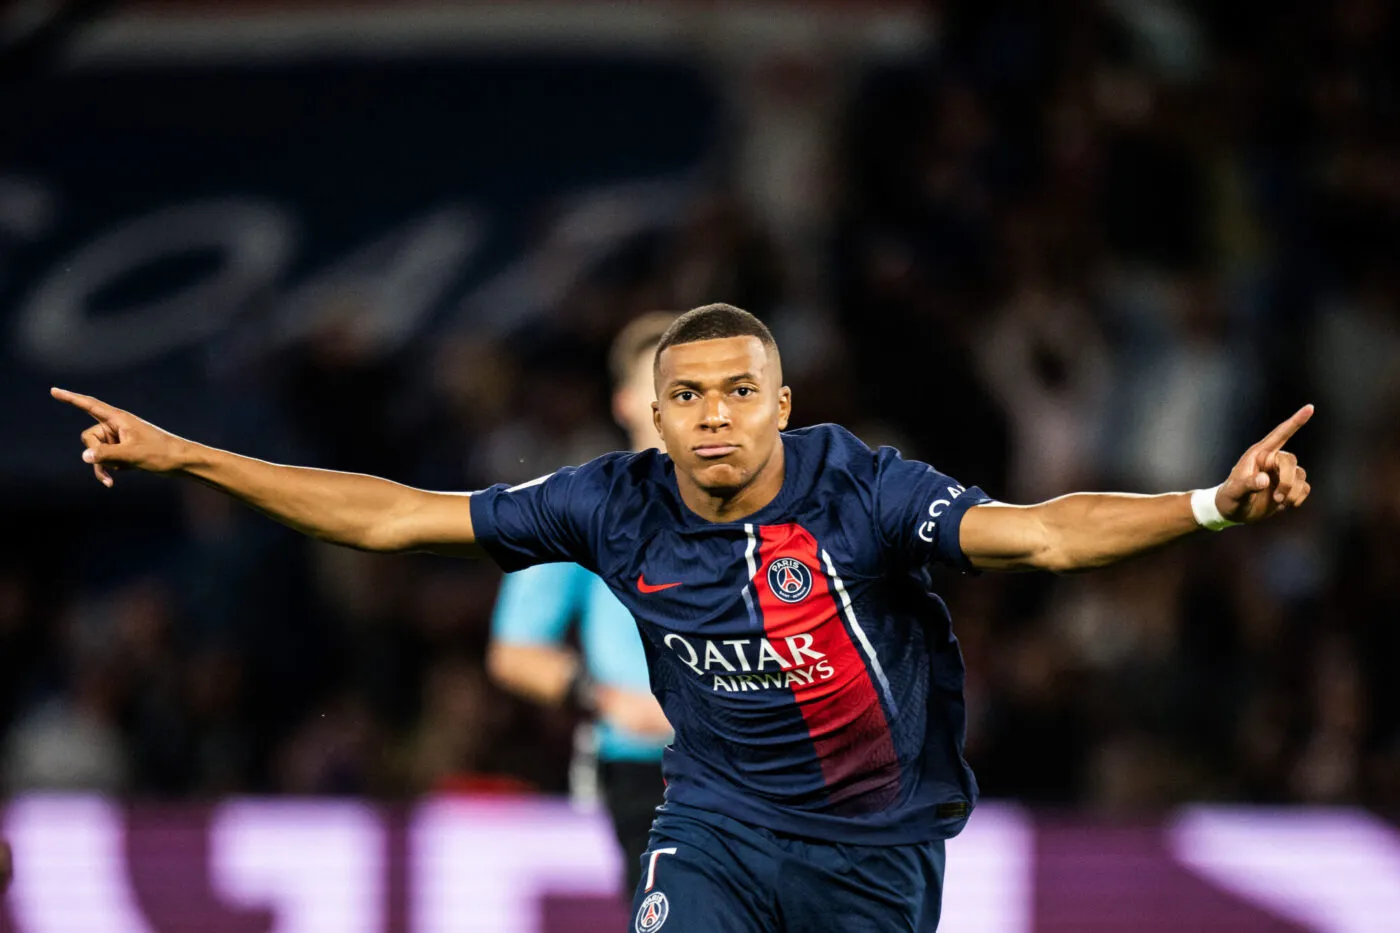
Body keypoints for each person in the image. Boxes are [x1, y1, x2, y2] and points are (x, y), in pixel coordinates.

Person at [52, 303, 1313, 932]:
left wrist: (1208, 503)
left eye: (735, 392)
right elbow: (392, 518)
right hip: (707, 825)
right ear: (652, 417)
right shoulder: (607, 503)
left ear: (778, 403)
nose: (711, 415)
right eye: (686, 396)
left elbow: (1040, 531)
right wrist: (194, 458)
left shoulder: (859, 490)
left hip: (876, 852)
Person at [487, 313, 675, 896]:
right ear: (624, 402)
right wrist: (609, 699)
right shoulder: (586, 509)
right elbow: (514, 652)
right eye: (663, 389)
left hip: (764, 759)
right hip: (648, 768)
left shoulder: (768, 502)